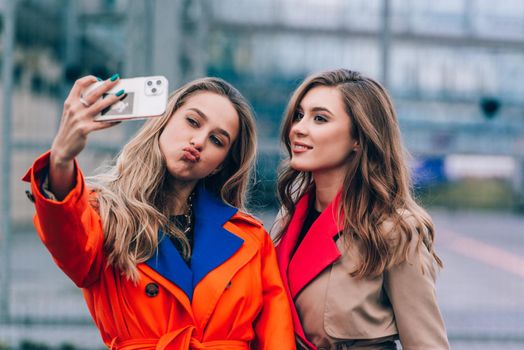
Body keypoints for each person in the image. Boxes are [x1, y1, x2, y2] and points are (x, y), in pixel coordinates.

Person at [23, 74, 296, 349]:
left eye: (217, 140)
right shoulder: (103, 214)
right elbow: (68, 241)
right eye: (192, 121)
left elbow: (276, 337)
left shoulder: (251, 239)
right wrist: (61, 159)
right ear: (164, 122)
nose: (199, 141)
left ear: (219, 165)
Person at [273, 69, 450, 350]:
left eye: (319, 118)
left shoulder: (393, 231)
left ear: (359, 137)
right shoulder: (288, 220)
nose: (298, 128)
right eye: (299, 115)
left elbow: (426, 344)